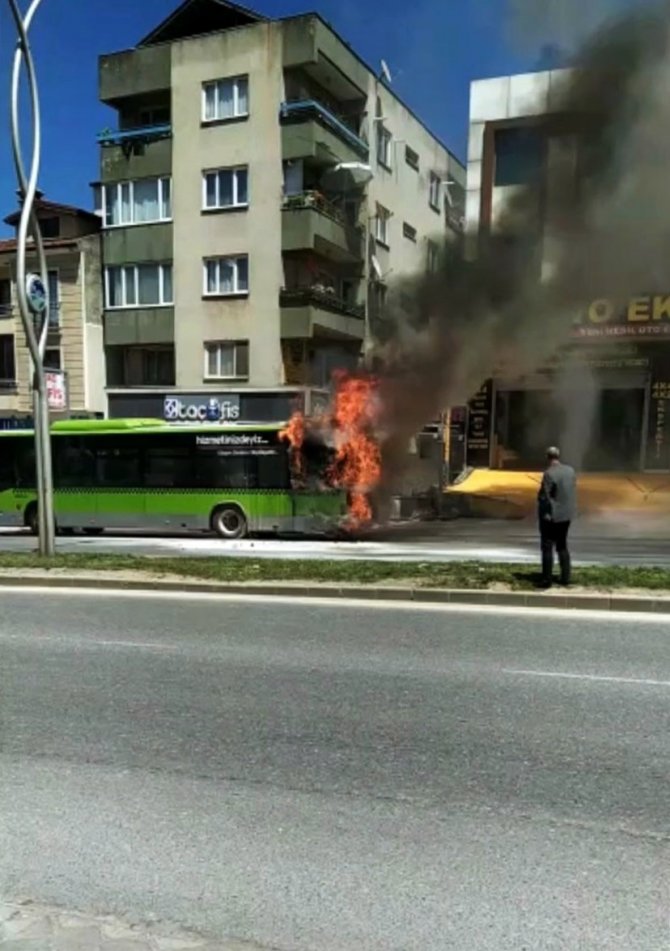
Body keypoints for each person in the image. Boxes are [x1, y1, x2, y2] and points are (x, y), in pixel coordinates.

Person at [537, 446, 577, 588]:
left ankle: (546, 579)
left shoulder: (549, 474)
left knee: (547, 546)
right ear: (558, 456)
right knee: (562, 545)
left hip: (552, 516)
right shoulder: (570, 471)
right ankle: (565, 577)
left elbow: (545, 497)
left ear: (548, 457)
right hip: (566, 515)